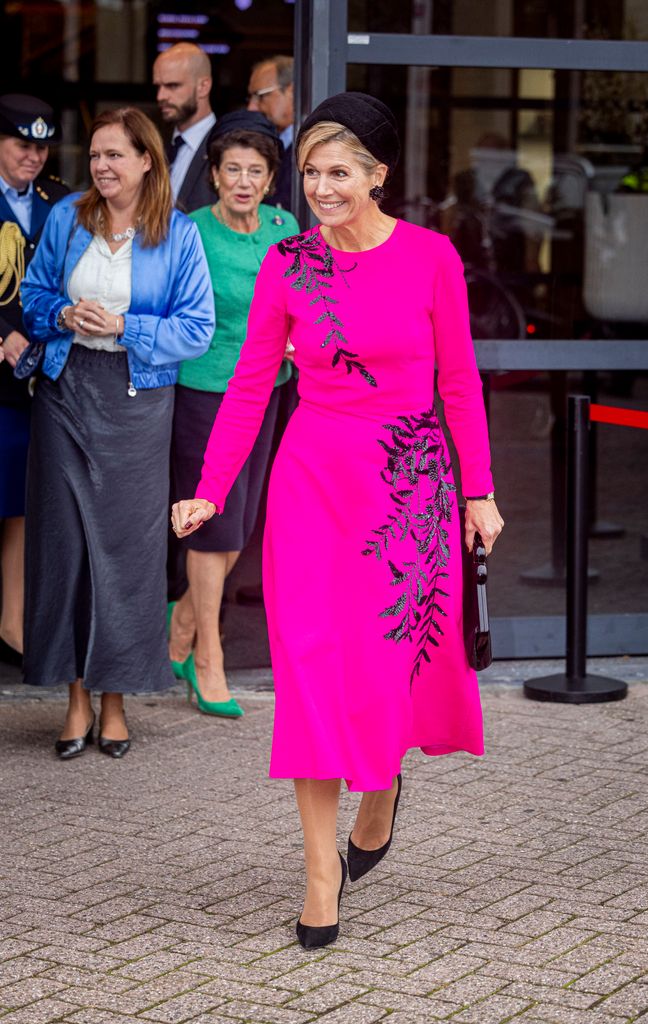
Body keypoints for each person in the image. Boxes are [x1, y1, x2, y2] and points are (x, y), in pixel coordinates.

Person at [172, 91, 503, 949]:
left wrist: (479, 493)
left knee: (386, 674)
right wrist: (212, 485)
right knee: (314, 679)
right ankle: (321, 873)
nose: (320, 188)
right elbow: (249, 384)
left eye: (339, 173)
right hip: (313, 486)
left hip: (408, 490)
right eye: (311, 171)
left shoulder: (432, 259)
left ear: (378, 176)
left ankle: (383, 786)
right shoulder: (288, 263)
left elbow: (460, 385)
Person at [21, 107, 214, 760]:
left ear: (146, 162)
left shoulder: (179, 234)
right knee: (66, 549)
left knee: (128, 555)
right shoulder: (68, 218)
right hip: (65, 393)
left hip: (137, 406)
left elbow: (196, 329)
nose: (101, 167)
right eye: (96, 156)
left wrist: (125, 327)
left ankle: (116, 700)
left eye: (115, 156)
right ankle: (76, 699)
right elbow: (34, 295)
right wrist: (61, 312)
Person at [169, 110, 298, 719]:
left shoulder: (286, 227)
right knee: (211, 520)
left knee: (241, 523)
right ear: (214, 175)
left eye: (256, 171)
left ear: (270, 180)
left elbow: (308, 301)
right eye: (232, 170)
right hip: (206, 389)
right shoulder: (189, 229)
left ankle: (181, 620)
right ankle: (208, 657)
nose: (243, 181)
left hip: (270, 389)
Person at [0, 94, 69, 667]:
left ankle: (14, 623)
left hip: (39, 373)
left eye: (41, 146)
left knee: (23, 500)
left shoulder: (58, 199)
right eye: (22, 143)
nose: (33, 156)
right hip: (0, 366)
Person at [154, 42, 216, 213]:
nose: (161, 96)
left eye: (172, 86)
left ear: (203, 86)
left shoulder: (225, 146)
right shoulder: (157, 146)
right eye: (158, 86)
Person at [247, 55, 294, 210]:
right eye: (251, 98)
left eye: (260, 96)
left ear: (291, 91)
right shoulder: (270, 141)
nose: (252, 107)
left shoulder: (314, 144)